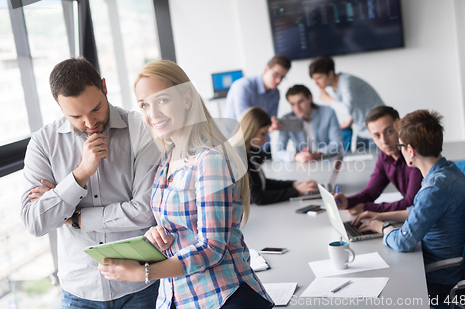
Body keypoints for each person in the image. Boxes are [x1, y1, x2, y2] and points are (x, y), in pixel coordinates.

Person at [97, 60, 273, 309]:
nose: (153, 113)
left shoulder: (210, 159)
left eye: (162, 100)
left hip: (222, 296)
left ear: (187, 100)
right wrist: (156, 234)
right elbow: (179, 228)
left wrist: (143, 272)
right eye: (144, 104)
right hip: (177, 297)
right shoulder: (167, 158)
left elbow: (212, 248)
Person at [21, 57, 161, 307]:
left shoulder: (141, 128)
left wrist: (73, 217)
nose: (89, 123)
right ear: (60, 107)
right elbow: (35, 222)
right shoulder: (43, 143)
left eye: (96, 108)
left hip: (142, 283)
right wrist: (80, 174)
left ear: (105, 87)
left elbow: (145, 211)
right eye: (76, 116)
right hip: (80, 290)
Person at [352, 109, 465, 298]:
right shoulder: (450, 171)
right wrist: (380, 215)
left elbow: (403, 242)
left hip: (440, 279)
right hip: (448, 267)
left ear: (410, 151)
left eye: (400, 145)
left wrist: (382, 228)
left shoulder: (433, 188)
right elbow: (418, 211)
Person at [335, 106, 422, 214]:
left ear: (399, 128)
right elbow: (371, 192)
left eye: (389, 132)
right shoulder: (384, 157)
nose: (384, 141)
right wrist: (347, 202)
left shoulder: (415, 155)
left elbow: (411, 203)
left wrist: (367, 207)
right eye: (377, 135)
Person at [240, 107, 317, 205]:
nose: (265, 139)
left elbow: (262, 183)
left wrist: (293, 184)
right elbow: (258, 197)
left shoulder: (249, 152)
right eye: (263, 134)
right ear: (250, 130)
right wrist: (296, 191)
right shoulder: (239, 157)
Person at [309, 56, 384, 149]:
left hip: (377, 130)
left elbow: (347, 109)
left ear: (330, 73)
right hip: (363, 129)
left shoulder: (346, 82)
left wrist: (327, 98)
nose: (316, 83)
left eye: (319, 78)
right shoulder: (335, 86)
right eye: (314, 79)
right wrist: (350, 121)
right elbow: (355, 105)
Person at [274, 85, 343, 163]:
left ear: (309, 98)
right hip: (302, 164)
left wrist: (317, 154)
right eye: (293, 104)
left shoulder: (328, 112)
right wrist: (296, 156)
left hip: (325, 162)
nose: (297, 108)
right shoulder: (287, 119)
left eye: (300, 102)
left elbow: (337, 144)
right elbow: (278, 151)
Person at [224, 54, 291, 132]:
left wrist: (272, 125)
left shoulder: (275, 93)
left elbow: (269, 122)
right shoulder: (243, 86)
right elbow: (245, 121)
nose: (278, 81)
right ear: (266, 69)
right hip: (237, 139)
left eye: (282, 77)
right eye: (275, 75)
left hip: (261, 140)